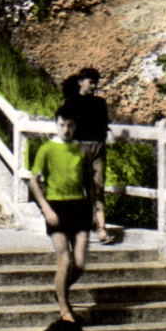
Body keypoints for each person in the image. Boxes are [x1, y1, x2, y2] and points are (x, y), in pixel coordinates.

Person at [27, 108, 92, 322]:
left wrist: (97, 213)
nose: (66, 130)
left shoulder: (82, 151)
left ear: (75, 127)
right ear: (56, 124)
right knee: (65, 258)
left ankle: (60, 290)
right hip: (56, 207)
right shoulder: (46, 149)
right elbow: (33, 181)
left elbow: (90, 184)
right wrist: (46, 209)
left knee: (80, 263)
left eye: (70, 126)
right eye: (62, 125)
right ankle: (64, 307)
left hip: (80, 206)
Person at [62, 68, 116, 244]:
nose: (93, 85)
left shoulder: (100, 103)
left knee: (98, 189)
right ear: (80, 82)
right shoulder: (70, 102)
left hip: (98, 149)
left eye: (95, 82)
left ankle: (101, 230)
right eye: (90, 81)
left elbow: (104, 125)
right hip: (77, 148)